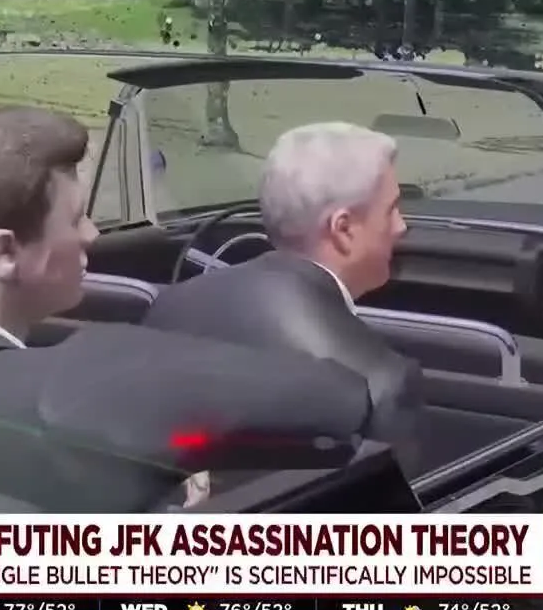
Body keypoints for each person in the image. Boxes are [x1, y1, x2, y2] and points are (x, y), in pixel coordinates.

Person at [0, 107, 382, 510]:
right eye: (75, 219)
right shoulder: (92, 383)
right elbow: (348, 400)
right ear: (6, 254)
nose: (92, 234)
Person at [142, 122, 425, 475]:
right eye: (391, 209)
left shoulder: (170, 308)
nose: (401, 226)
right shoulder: (378, 386)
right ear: (343, 229)